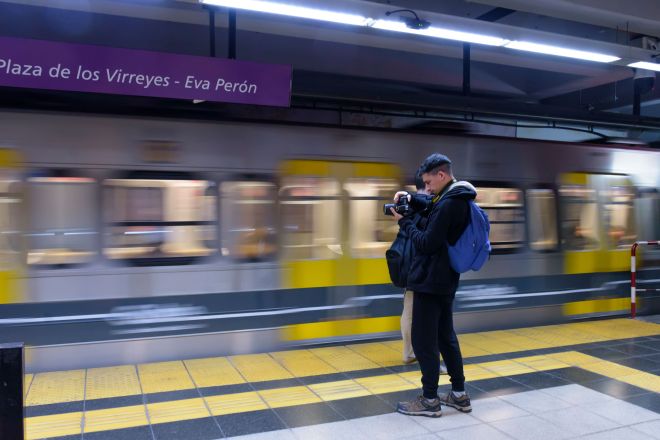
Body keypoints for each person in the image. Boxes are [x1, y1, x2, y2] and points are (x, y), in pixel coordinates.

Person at [389, 153, 475, 418]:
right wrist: (410, 198)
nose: (427, 188)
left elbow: (427, 242)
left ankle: (429, 400)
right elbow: (430, 202)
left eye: (429, 182)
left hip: (429, 281)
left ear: (441, 175)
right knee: (445, 337)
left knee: (424, 341)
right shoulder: (454, 197)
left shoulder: (449, 204)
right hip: (444, 280)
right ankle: (459, 395)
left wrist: (403, 221)